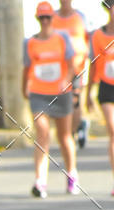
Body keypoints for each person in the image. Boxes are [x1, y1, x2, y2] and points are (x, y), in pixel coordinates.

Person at [23, 1, 78, 198]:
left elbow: (72, 65)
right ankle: (40, 181)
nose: (45, 21)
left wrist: (67, 80)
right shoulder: (30, 42)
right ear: (38, 19)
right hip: (39, 93)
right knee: (43, 133)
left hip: (60, 94)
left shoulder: (62, 38)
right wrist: (24, 88)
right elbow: (26, 68)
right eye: (42, 18)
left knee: (64, 137)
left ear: (52, 19)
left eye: (48, 17)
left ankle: (72, 175)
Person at [53, 1, 90, 147]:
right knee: (62, 101)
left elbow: (87, 40)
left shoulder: (80, 17)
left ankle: (72, 133)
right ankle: (73, 130)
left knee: (75, 99)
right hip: (59, 69)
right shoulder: (53, 17)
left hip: (77, 66)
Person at [87, 0, 114, 193]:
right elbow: (94, 65)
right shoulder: (97, 35)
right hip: (106, 86)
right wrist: (88, 93)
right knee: (113, 131)